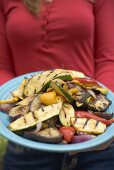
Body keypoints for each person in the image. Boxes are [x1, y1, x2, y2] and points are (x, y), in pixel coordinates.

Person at [0, 0, 114, 170]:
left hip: (96, 145)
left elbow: (108, 60)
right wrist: (19, 103)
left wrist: (99, 107)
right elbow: (2, 67)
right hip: (26, 145)